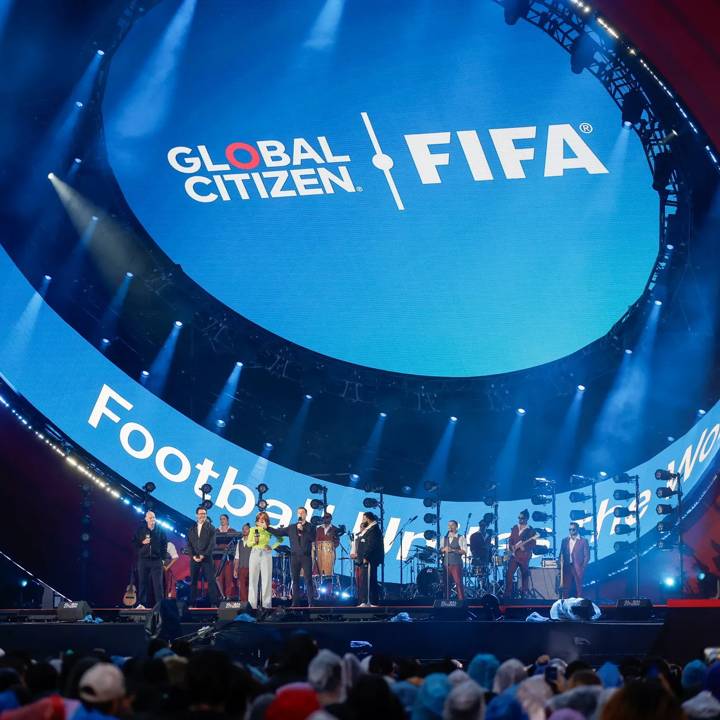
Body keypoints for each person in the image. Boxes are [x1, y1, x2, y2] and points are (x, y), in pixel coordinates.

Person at [267, 507, 315, 606]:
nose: (300, 515)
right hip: (294, 557)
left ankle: (311, 603)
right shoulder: (292, 527)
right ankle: (295, 602)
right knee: (295, 580)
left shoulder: (311, 527)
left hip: (306, 557)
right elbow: (278, 532)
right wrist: (267, 527)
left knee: (308, 580)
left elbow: (313, 538)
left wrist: (304, 530)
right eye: (298, 513)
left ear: (306, 514)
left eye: (302, 513)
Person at [133, 510, 167, 608]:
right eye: (150, 517)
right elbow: (134, 543)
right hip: (144, 560)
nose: (153, 519)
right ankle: (141, 604)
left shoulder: (160, 530)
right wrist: (142, 543)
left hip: (157, 560)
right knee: (142, 582)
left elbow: (164, 545)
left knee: (158, 585)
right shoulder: (140, 530)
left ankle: (160, 605)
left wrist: (163, 559)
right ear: (146, 519)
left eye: (154, 517)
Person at [187, 506, 219, 607]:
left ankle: (214, 603)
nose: (202, 516)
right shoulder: (192, 528)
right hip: (194, 558)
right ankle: (192, 603)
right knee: (193, 581)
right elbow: (189, 544)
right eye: (200, 514)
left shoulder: (211, 528)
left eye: (204, 514)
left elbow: (212, 544)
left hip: (207, 558)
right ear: (196, 515)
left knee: (211, 580)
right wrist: (193, 556)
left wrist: (203, 555)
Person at [246, 511, 277, 610]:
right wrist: (254, 542)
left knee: (267, 580)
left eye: (263, 519)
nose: (261, 521)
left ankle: (266, 606)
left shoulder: (268, 530)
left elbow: (280, 539)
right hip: (255, 552)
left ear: (266, 521)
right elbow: (248, 544)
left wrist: (272, 547)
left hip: (266, 554)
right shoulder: (252, 529)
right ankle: (252, 606)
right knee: (253, 580)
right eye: (259, 519)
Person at [352, 511, 384, 606]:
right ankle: (366, 601)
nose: (362, 520)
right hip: (365, 558)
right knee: (367, 579)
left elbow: (371, 545)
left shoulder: (374, 529)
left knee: (369, 580)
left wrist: (366, 556)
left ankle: (370, 601)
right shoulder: (370, 529)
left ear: (368, 519)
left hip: (370, 559)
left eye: (363, 518)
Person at [505, 509, 536, 598]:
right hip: (514, 556)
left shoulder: (530, 530)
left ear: (526, 519)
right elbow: (511, 540)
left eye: (521, 518)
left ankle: (524, 593)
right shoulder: (515, 527)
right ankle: (508, 594)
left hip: (524, 556)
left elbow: (533, 543)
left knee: (524, 575)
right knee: (509, 574)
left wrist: (524, 548)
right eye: (519, 518)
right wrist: (512, 548)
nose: (519, 520)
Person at [559, 522, 590, 598]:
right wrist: (560, 564)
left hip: (578, 567)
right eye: (570, 529)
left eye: (573, 529)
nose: (571, 531)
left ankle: (580, 604)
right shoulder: (564, 540)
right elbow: (561, 554)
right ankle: (565, 603)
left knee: (579, 587)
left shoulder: (583, 541)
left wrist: (582, 568)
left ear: (577, 529)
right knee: (566, 587)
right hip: (567, 567)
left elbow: (587, 557)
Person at [441, 519, 467, 600]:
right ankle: (446, 601)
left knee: (458, 583)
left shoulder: (461, 537)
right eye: (448, 525)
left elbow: (464, 551)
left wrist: (452, 550)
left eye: (451, 525)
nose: (449, 526)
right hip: (446, 563)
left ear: (456, 526)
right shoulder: (444, 538)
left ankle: (461, 601)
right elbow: (440, 549)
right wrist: (443, 549)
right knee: (446, 583)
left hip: (456, 564)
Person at [215, 513, 237, 599]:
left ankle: (228, 595)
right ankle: (221, 595)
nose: (222, 520)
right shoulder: (216, 531)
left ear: (227, 520)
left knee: (228, 576)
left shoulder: (232, 531)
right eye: (221, 519)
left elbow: (235, 544)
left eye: (223, 519)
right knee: (218, 577)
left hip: (228, 557)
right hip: (218, 557)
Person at [314, 512, 340, 579]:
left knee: (328, 572)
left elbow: (337, 542)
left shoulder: (335, 529)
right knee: (317, 571)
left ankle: (328, 585)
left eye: (327, 517)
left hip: (329, 553)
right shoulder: (318, 529)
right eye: (324, 518)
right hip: (319, 552)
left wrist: (331, 547)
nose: (325, 519)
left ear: (331, 518)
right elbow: (315, 540)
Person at [233, 523, 252, 603]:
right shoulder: (239, 542)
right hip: (241, 567)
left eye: (246, 529)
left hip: (251, 567)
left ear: (250, 530)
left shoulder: (253, 541)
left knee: (251, 586)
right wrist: (235, 569)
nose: (244, 530)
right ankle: (244, 603)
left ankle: (252, 602)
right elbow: (237, 557)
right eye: (243, 529)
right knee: (242, 586)